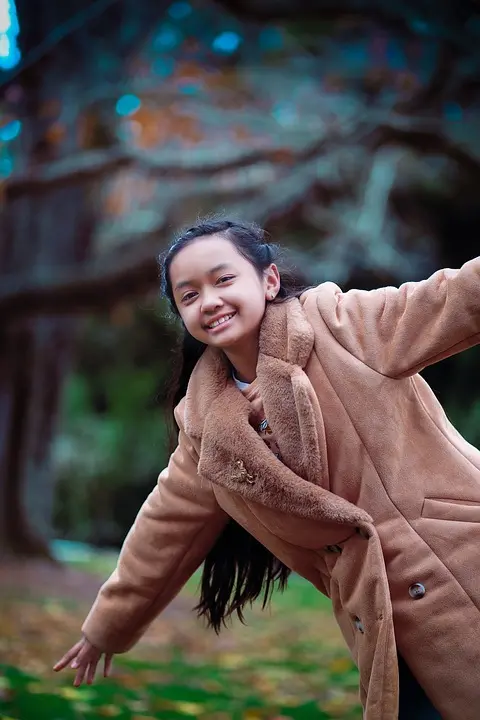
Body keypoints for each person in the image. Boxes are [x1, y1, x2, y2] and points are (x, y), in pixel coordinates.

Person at [54, 219, 480, 720]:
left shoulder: (340, 325)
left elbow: (450, 300)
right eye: (188, 295)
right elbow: (164, 532)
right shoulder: (206, 427)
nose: (208, 301)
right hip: (387, 624)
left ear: (270, 280)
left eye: (223, 279)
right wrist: (105, 628)